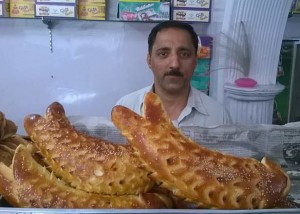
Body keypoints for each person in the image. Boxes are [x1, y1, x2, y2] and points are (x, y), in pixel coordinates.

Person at [116, 21, 231, 128]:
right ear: (149, 60)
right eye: (163, 54)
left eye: (184, 54)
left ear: (195, 62)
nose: (175, 64)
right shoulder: (126, 108)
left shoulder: (218, 117)